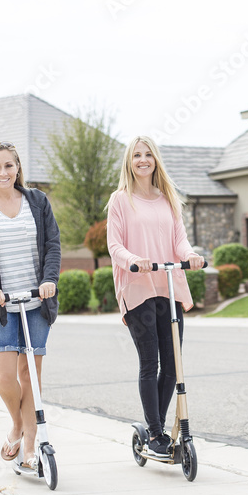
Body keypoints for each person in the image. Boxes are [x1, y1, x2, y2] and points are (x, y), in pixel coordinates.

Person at [0, 141, 61, 469]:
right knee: (5, 375)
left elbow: (52, 245)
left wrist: (50, 280)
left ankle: (30, 444)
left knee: (30, 374)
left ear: (17, 167)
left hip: (37, 299)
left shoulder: (37, 200)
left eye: (9, 165)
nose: (3, 172)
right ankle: (17, 424)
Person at [107, 135, 203, 457]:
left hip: (169, 285)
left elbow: (180, 242)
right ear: (129, 162)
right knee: (151, 363)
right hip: (138, 289)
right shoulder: (120, 200)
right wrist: (133, 260)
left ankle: (156, 429)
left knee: (173, 366)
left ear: (155, 160)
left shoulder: (168, 200)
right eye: (137, 155)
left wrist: (192, 256)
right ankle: (155, 434)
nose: (143, 160)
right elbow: (114, 246)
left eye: (148, 154)